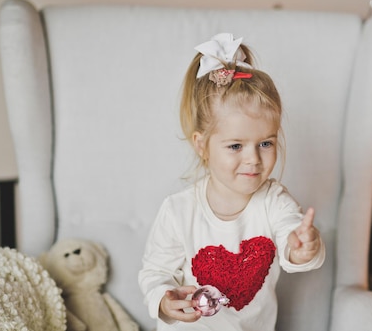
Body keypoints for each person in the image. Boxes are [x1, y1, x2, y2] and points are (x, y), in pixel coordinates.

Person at [138, 33, 325, 330]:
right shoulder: (179, 210)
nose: (253, 159)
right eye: (236, 146)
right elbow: (155, 272)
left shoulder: (275, 202)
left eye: (265, 143)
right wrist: (164, 300)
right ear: (202, 145)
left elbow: (291, 234)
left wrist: (303, 249)